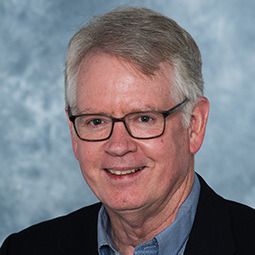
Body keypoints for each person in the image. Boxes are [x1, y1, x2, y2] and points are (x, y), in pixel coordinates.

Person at [1, 6, 255, 255]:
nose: (119, 146)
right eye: (96, 121)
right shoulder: (25, 249)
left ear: (195, 125)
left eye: (144, 118)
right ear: (73, 132)